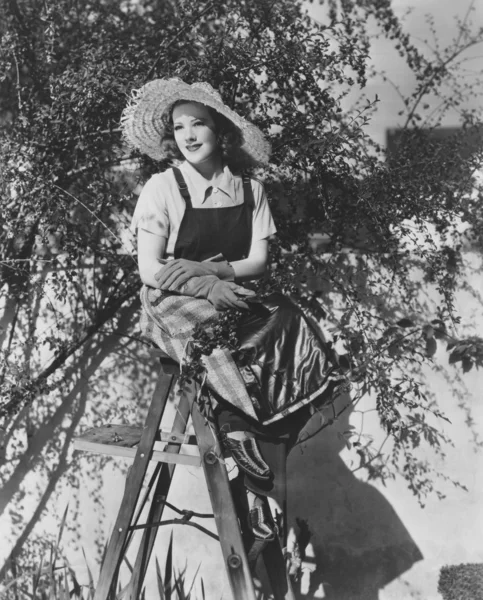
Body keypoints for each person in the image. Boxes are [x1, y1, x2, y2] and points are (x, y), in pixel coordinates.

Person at [122, 78, 344, 549]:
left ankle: (258, 484)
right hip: (172, 297)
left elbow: (258, 261)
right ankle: (233, 430)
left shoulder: (250, 190)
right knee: (213, 333)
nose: (187, 134)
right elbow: (148, 268)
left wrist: (219, 272)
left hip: (233, 289)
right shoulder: (162, 187)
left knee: (286, 324)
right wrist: (204, 284)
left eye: (197, 124)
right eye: (178, 127)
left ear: (220, 132)